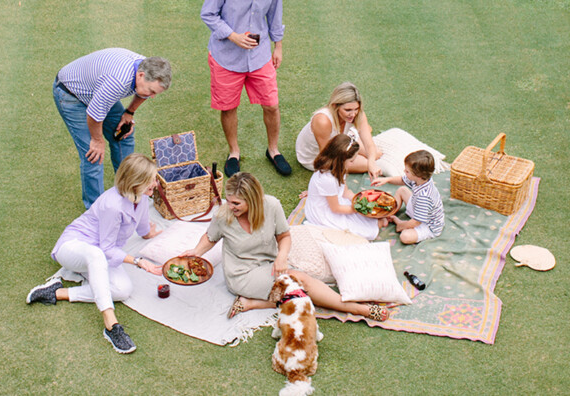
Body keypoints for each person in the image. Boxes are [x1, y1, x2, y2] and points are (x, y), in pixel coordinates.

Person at [181, 172, 389, 322]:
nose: (231, 207)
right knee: (303, 282)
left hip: (271, 262)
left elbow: (284, 236)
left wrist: (281, 256)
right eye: (230, 201)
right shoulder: (223, 214)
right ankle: (358, 309)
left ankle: (254, 303)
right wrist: (196, 253)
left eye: (237, 203)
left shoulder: (271, 206)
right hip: (243, 272)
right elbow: (210, 238)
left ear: (253, 200)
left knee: (301, 285)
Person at [26, 153, 164, 354]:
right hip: (72, 247)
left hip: (96, 255)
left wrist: (152, 233)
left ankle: (55, 292)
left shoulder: (141, 199)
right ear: (136, 182)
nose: (156, 183)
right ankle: (111, 326)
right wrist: (138, 261)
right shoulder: (112, 205)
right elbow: (107, 249)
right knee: (97, 255)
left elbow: (143, 229)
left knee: (123, 290)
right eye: (151, 179)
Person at [54, 48, 172, 208]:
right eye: (151, 91)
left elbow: (142, 93)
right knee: (93, 155)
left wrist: (129, 112)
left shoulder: (147, 68)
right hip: (71, 94)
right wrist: (97, 140)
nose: (152, 96)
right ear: (141, 75)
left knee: (124, 135)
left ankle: (129, 189)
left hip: (98, 91)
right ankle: (96, 212)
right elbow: (95, 114)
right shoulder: (117, 81)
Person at [200, 0, 292, 177]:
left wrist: (278, 46)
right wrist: (233, 36)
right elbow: (208, 14)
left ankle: (273, 150)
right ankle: (234, 152)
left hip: (260, 55)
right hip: (226, 57)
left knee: (272, 105)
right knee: (228, 107)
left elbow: (274, 15)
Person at [304, 134, 388, 240]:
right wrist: (357, 209)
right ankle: (376, 223)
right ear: (340, 160)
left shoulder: (339, 169)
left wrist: (362, 201)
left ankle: (376, 220)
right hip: (324, 212)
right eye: (351, 161)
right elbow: (335, 208)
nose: (353, 164)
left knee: (367, 216)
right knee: (365, 232)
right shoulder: (327, 179)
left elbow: (345, 192)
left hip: (337, 202)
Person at [296, 82, 382, 179]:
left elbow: (369, 145)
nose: (353, 114)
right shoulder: (322, 121)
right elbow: (326, 158)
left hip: (340, 141)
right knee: (365, 163)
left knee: (376, 154)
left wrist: (372, 163)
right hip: (316, 155)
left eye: (356, 109)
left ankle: (356, 150)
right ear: (335, 106)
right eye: (348, 110)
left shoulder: (358, 114)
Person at [372, 150, 444, 244]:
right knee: (402, 190)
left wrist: (401, 225)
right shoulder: (420, 179)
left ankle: (396, 221)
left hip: (427, 224)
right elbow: (402, 180)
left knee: (405, 236)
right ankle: (390, 213)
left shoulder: (424, 197)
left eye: (407, 171)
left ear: (418, 176)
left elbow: (416, 222)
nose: (404, 172)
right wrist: (387, 179)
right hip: (417, 208)